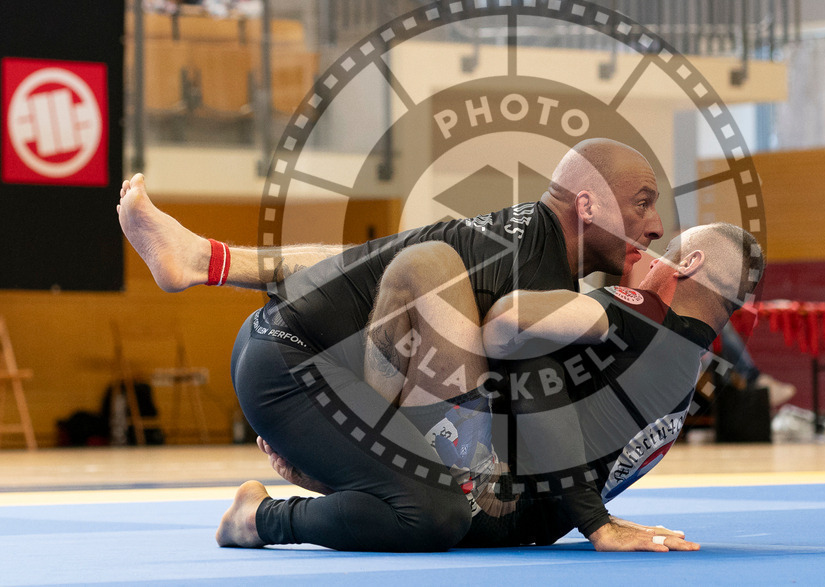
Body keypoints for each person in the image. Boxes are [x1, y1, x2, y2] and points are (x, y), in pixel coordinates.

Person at [117, 138, 669, 552]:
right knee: (437, 515)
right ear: (588, 206)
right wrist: (598, 525)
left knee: (455, 492)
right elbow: (537, 410)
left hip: (290, 349)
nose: (656, 226)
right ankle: (260, 519)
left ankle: (202, 262)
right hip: (292, 364)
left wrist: (218, 261)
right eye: (642, 204)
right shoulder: (537, 274)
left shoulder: (516, 238)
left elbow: (363, 260)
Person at [227, 222, 762, 552]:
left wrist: (595, 522)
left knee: (429, 260)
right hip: (525, 521)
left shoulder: (638, 312)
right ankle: (329, 478)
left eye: (665, 251)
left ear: (688, 264)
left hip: (488, 491)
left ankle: (226, 266)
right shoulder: (689, 371)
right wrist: (589, 516)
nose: (648, 254)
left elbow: (517, 336)